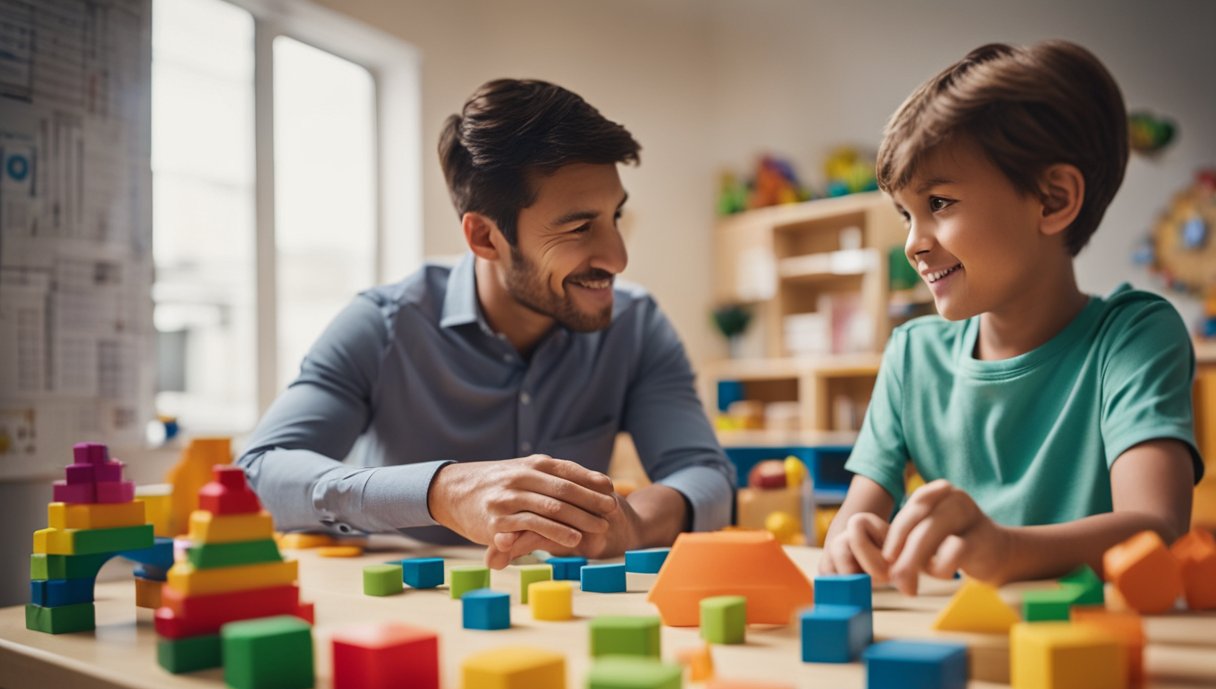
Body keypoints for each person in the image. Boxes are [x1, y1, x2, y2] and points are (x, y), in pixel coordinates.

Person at [238, 79, 733, 569]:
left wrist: (636, 524)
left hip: (573, 615)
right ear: (484, 237)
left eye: (615, 218)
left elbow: (706, 474)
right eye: (580, 227)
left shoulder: (636, 326)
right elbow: (259, 474)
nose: (618, 259)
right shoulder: (382, 326)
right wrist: (441, 491)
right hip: (404, 612)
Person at [821, 41, 1203, 594]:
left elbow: (1158, 531)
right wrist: (851, 542)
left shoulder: (1133, 337)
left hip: (1096, 654)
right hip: (957, 645)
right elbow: (851, 525)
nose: (913, 244)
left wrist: (1004, 550)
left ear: (1052, 200)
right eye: (906, 214)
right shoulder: (911, 356)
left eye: (940, 204)